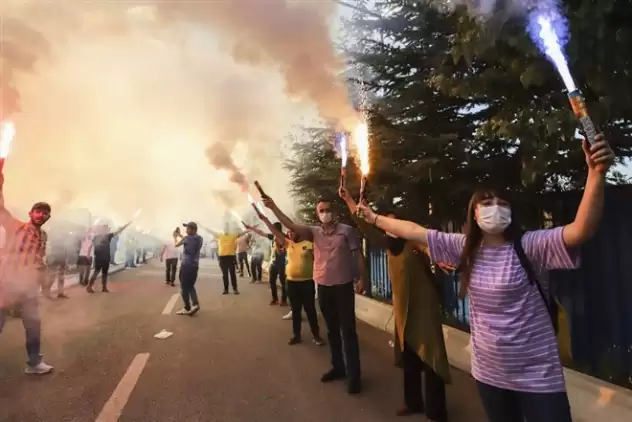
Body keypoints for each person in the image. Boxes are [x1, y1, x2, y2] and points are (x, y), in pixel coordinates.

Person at [355, 135, 614, 422]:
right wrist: (373, 217)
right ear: (474, 213)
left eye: (502, 203)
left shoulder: (531, 245)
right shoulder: (463, 248)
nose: (495, 207)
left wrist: (595, 174)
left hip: (539, 376)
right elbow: (412, 230)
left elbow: (580, 230)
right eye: (487, 202)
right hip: (490, 374)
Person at [341, 188, 450, 420]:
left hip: (425, 308)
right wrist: (349, 200)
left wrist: (439, 257)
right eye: (387, 225)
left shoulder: (413, 242)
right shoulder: (389, 246)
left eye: (394, 224)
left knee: (431, 358)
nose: (390, 229)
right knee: (409, 356)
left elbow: (430, 247)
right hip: (403, 310)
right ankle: (412, 402)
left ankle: (436, 411)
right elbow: (365, 225)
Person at [262, 195, 366, 394]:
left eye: (328, 209)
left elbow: (357, 254)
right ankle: (338, 367)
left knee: (348, 332)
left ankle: (354, 376)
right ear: (318, 214)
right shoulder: (313, 232)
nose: (325, 213)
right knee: (332, 330)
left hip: (343, 287)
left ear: (334, 211)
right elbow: (288, 223)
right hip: (323, 287)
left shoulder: (347, 231)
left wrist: (362, 278)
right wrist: (273, 207)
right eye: (321, 211)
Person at [0, 173, 54, 374]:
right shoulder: (17, 227)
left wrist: (44, 281)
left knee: (33, 325)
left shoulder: (43, 236)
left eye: (45, 213)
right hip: (7, 285)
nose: (41, 215)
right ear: (31, 213)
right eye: (38, 212)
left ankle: (34, 363)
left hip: (28, 288)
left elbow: (38, 261)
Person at [86, 222, 131, 293]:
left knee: (105, 273)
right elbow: (90, 246)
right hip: (98, 257)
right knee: (96, 272)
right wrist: (88, 255)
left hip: (106, 257)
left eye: (107, 229)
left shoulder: (108, 236)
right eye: (105, 229)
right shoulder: (96, 237)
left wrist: (125, 226)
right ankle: (89, 286)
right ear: (102, 229)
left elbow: (118, 232)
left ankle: (104, 288)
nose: (106, 230)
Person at [204, 223, 247, 295]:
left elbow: (242, 233)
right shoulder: (219, 235)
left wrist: (249, 229)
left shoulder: (233, 235)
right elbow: (210, 231)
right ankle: (226, 289)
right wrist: (203, 226)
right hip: (222, 258)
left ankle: (235, 289)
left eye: (227, 228)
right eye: (225, 228)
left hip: (231, 257)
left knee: (232, 274)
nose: (226, 229)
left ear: (229, 229)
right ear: (223, 229)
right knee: (225, 274)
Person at [174, 222, 203, 315]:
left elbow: (176, 244)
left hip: (186, 265)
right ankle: (195, 304)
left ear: (194, 229)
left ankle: (187, 307)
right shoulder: (199, 238)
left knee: (183, 287)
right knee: (190, 286)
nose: (186, 230)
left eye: (188, 228)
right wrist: (180, 235)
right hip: (194, 266)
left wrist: (175, 237)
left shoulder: (186, 238)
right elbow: (190, 239)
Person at [42, 231, 70, 299]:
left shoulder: (63, 242)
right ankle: (47, 292)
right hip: (54, 261)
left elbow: (65, 251)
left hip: (61, 260)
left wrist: (66, 262)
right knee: (52, 277)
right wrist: (48, 260)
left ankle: (60, 293)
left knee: (61, 278)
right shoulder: (54, 241)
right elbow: (49, 251)